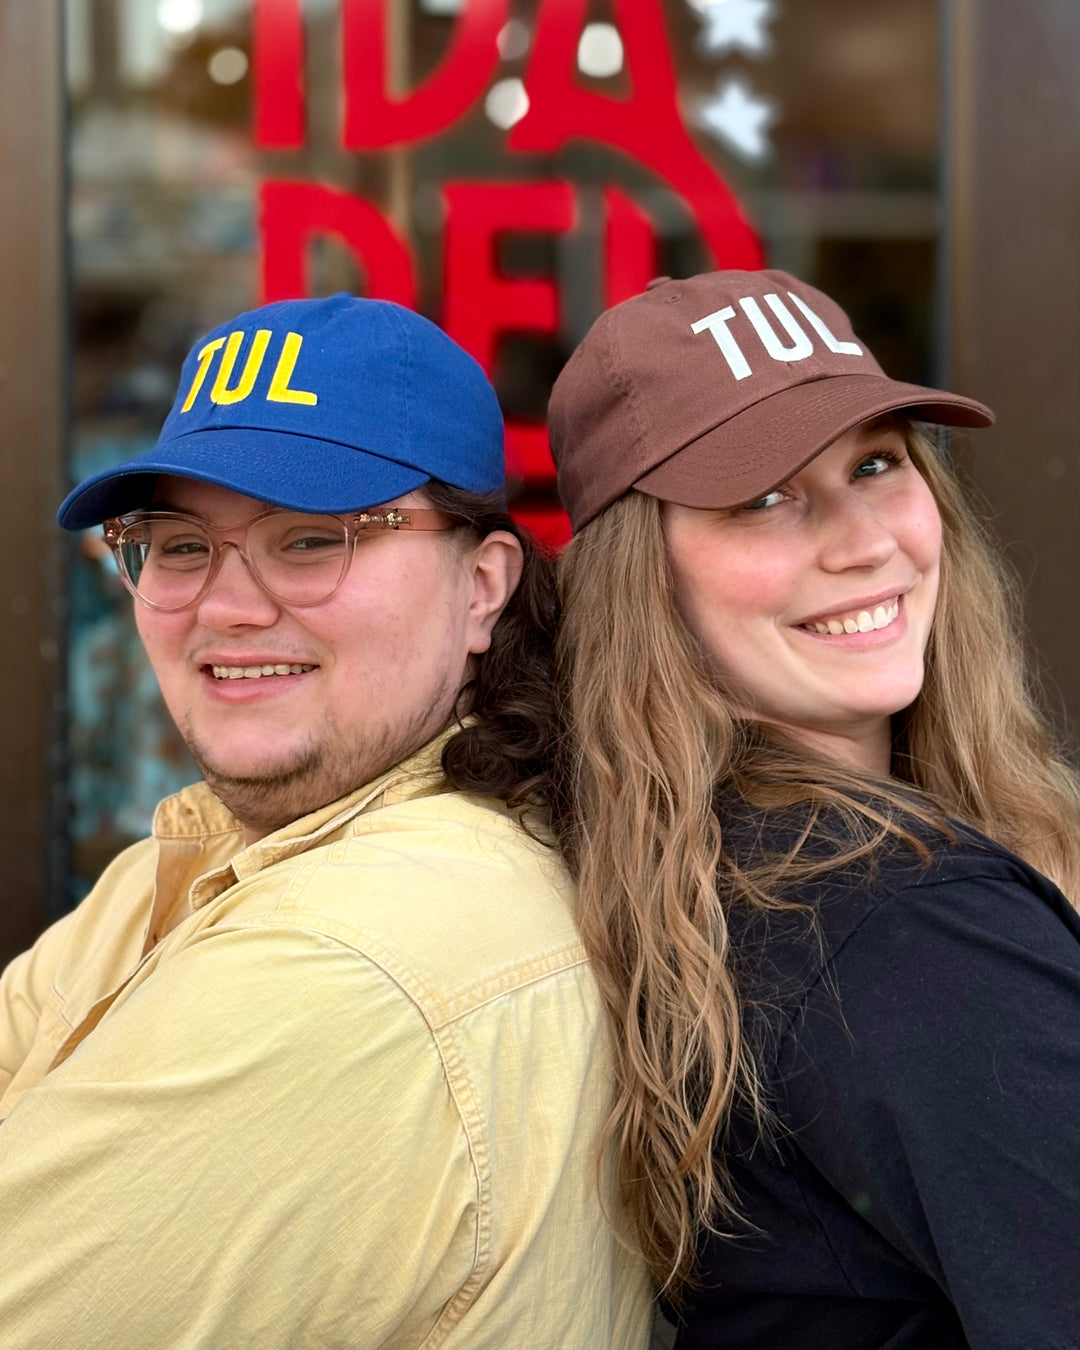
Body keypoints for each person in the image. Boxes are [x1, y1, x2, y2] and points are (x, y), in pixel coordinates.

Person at [0, 294, 652, 1350]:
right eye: (176, 547)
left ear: (483, 586)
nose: (225, 606)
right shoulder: (222, 845)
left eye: (310, 540)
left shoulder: (351, 958)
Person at [547, 270, 1079, 1350]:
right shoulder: (905, 922)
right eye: (764, 497)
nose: (864, 542)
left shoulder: (717, 870)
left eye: (876, 464)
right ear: (643, 584)